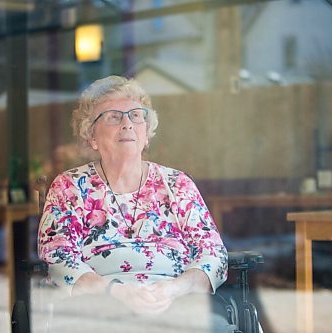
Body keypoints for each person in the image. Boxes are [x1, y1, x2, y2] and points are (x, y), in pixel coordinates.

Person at [37, 75, 228, 322]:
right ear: (91, 136)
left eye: (136, 116)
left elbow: (213, 255)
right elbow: (57, 256)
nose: (127, 123)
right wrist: (116, 292)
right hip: (98, 306)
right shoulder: (70, 187)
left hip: (175, 302)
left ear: (147, 134)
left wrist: (173, 289)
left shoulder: (177, 184)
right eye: (114, 117)